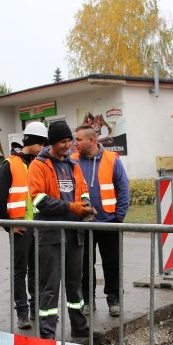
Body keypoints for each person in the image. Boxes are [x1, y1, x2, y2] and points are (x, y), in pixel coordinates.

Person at [27, 120, 97, 339]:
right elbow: (39, 200)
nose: (68, 145)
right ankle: (47, 333)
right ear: (52, 143)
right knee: (50, 286)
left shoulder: (73, 165)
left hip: (74, 233)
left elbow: (83, 191)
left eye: (69, 141)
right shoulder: (38, 166)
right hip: (50, 234)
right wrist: (71, 207)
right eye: (63, 142)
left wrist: (85, 207)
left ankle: (79, 327)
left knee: (75, 284)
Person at [0, 121, 50, 330]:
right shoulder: (10, 164)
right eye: (42, 143)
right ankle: (23, 314)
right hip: (20, 227)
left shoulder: (40, 163)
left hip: (38, 226)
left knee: (36, 269)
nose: (44, 147)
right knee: (20, 271)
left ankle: (35, 309)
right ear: (33, 141)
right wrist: (8, 226)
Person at [72, 124, 130, 317]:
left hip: (109, 222)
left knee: (112, 264)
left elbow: (123, 188)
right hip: (83, 223)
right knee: (84, 265)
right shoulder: (72, 161)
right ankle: (87, 301)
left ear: (92, 140)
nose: (75, 143)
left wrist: (119, 217)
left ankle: (114, 300)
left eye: (78, 139)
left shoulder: (111, 159)